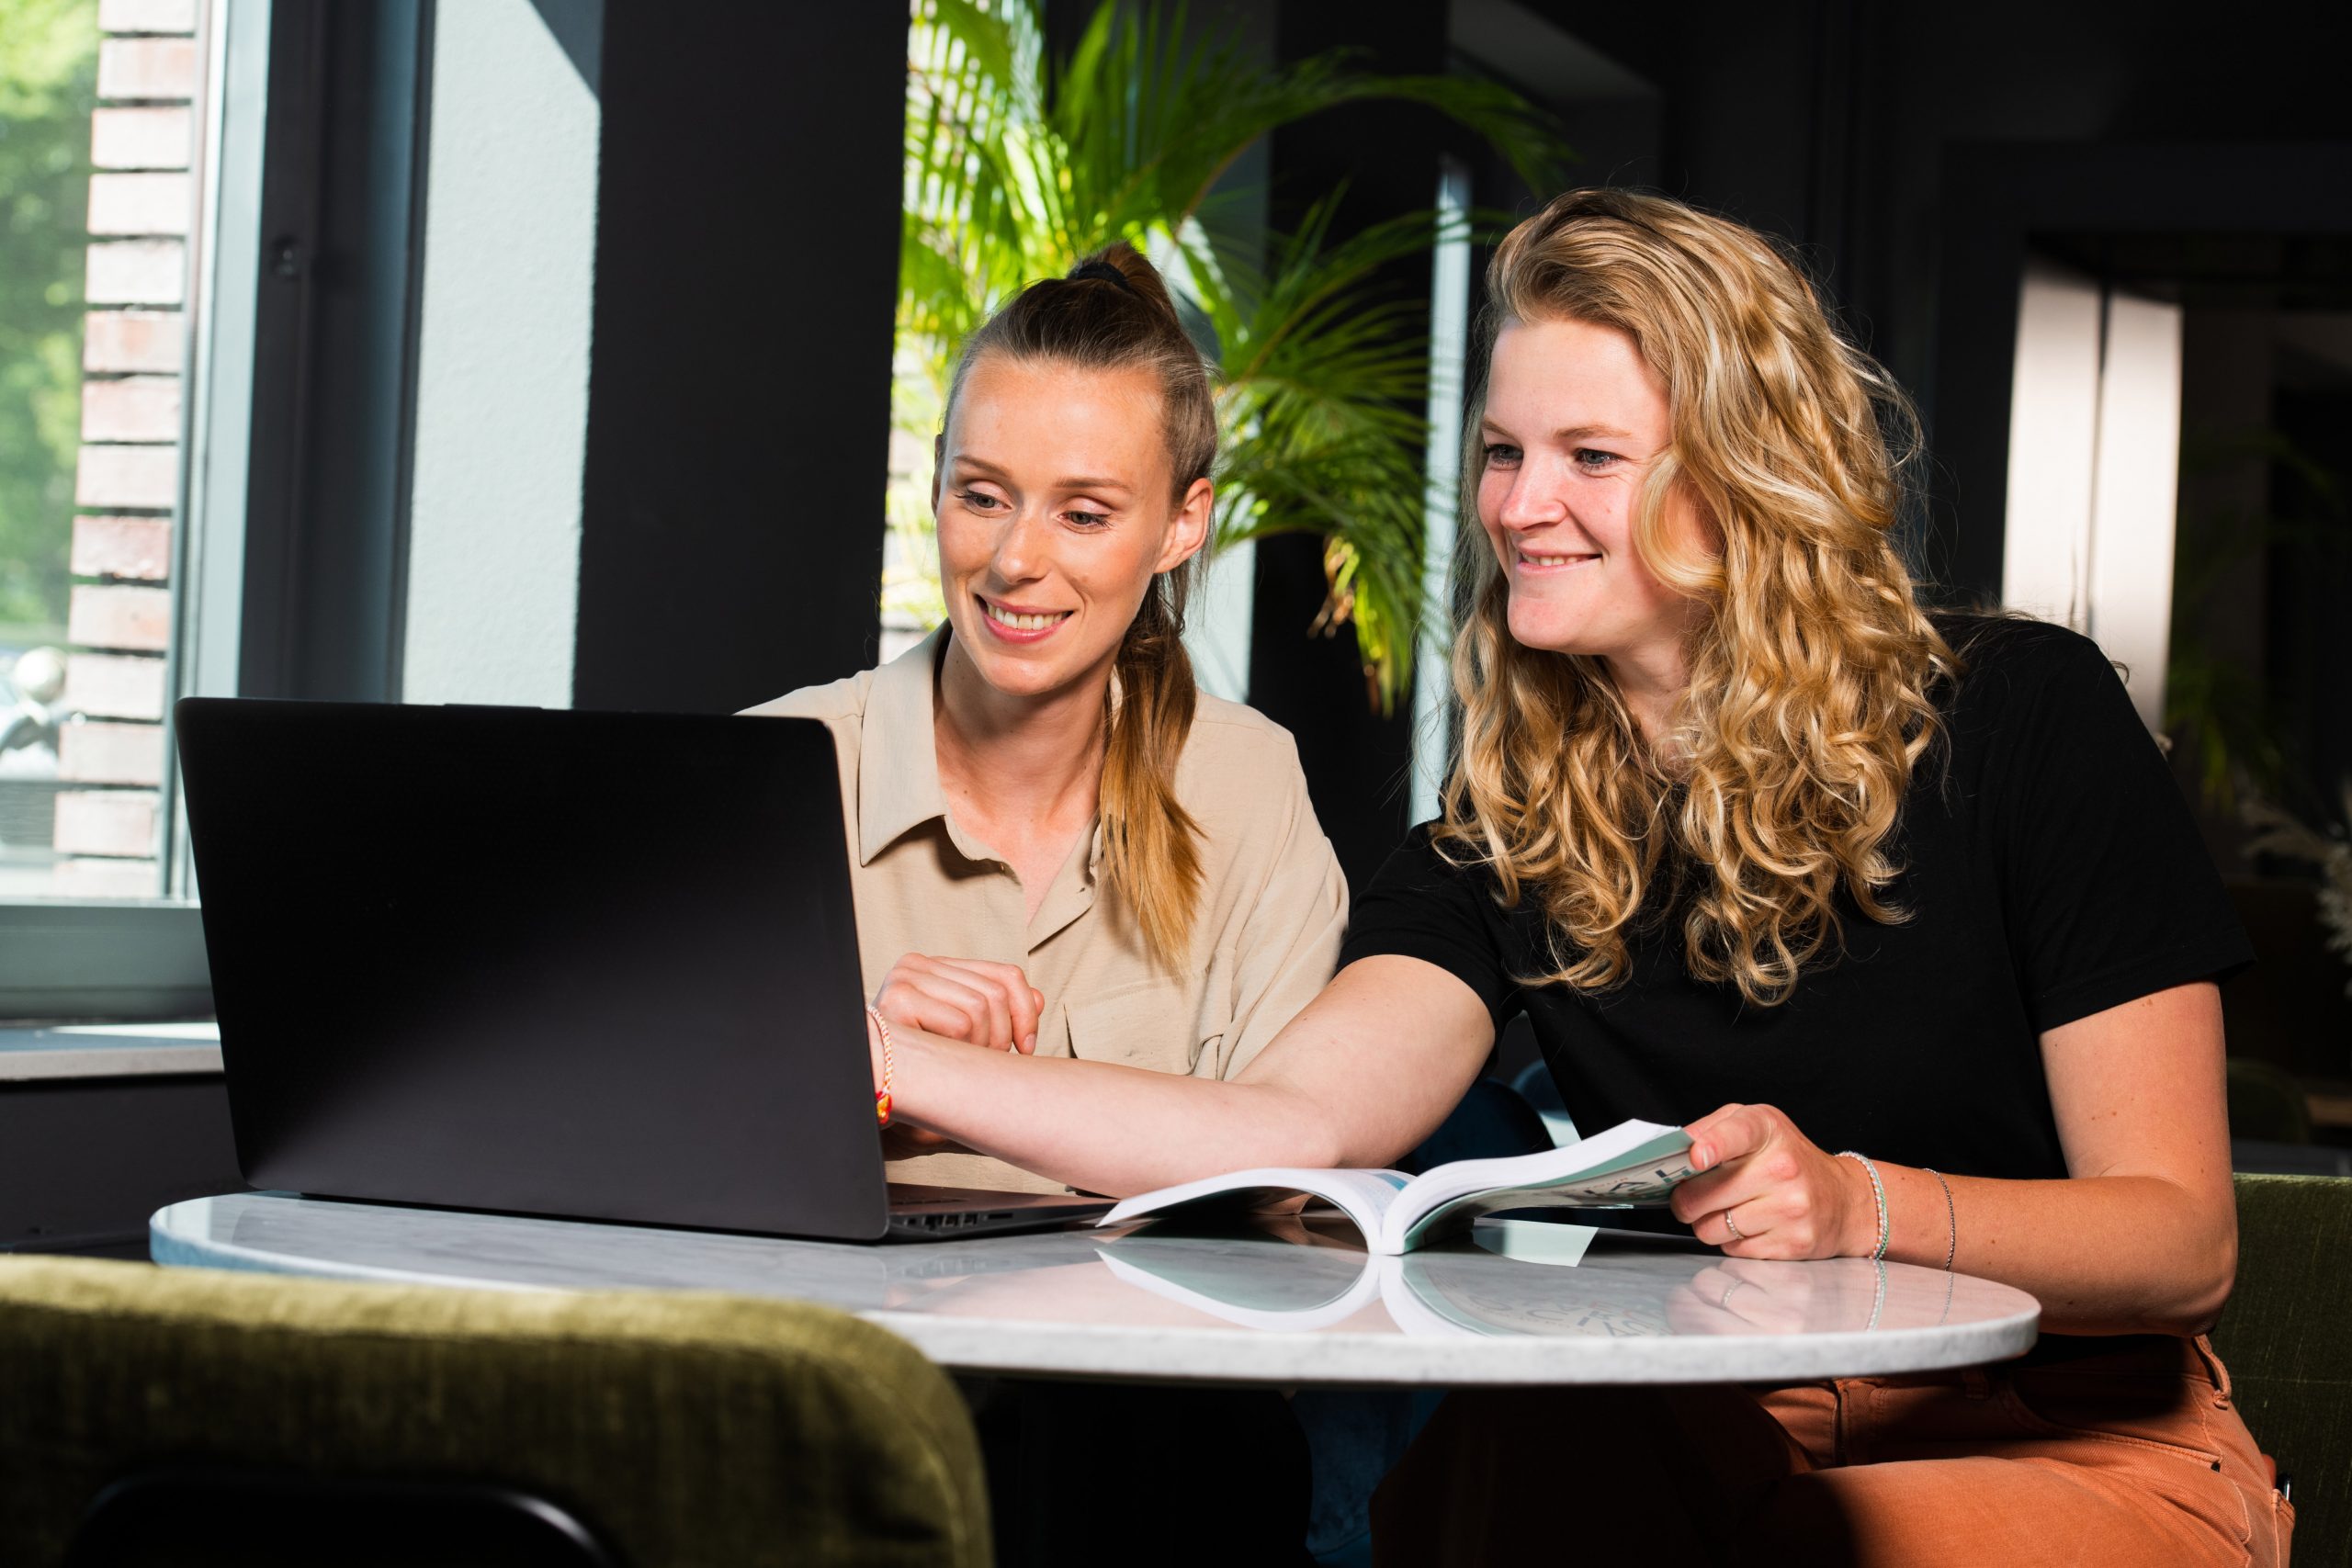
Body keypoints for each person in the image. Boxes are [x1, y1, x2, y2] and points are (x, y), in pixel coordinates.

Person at [858, 190, 2291, 1567]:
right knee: (1484, 1470)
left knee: (1789, 1547)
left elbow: (2185, 1240)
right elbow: (1284, 1128)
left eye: (1592, 458)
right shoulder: (1505, 832)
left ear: (1742, 473)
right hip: (1716, 1436)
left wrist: (1864, 1207)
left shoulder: (2023, 716)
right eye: (1502, 451)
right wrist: (896, 1064)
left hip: (2067, 1442)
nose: (1520, 504)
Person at [748, 242, 1341, 1566]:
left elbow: (1283, 1199)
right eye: (983, 496)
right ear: (937, 488)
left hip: (1148, 1454)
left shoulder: (1247, 785)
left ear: (1182, 524)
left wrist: (937, 1081)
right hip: (830, 1429)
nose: (1017, 561)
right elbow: (633, 1150)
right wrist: (850, 1079)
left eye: (1084, 513)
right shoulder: (775, 768)